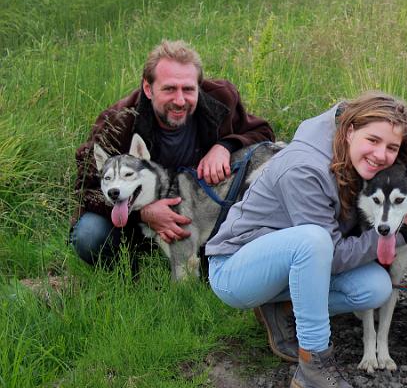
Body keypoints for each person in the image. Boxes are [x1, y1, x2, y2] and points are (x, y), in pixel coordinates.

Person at [204, 92, 407, 388]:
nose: (381, 155)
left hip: (292, 266)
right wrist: (402, 233)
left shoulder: (355, 158)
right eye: (373, 140)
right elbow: (331, 255)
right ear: (350, 131)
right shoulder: (305, 168)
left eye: (391, 147)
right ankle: (314, 366)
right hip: (236, 271)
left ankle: (281, 308)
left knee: (375, 288)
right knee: (314, 239)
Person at [71, 39, 275, 267]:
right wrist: (142, 213)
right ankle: (132, 273)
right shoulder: (118, 122)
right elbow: (85, 189)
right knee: (90, 234)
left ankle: (215, 258)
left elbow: (263, 133)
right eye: (169, 89)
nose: (180, 100)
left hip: (203, 214)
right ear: (148, 88)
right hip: (132, 220)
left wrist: (225, 146)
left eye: (188, 89)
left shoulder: (221, 99)